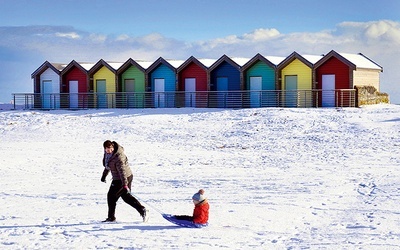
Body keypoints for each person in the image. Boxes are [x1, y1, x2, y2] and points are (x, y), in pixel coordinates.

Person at [100, 140, 148, 222]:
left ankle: (111, 217)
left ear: (113, 147)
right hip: (122, 177)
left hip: (122, 178)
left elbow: (122, 172)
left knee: (111, 196)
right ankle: (142, 209)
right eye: (107, 149)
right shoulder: (108, 155)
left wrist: (125, 184)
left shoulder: (118, 157)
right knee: (126, 197)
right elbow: (109, 165)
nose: (108, 151)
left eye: (110, 149)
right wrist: (104, 176)